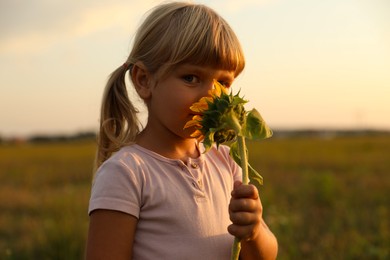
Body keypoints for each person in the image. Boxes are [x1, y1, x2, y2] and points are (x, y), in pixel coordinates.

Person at [85, 2, 278, 259]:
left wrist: (253, 232)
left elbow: (264, 256)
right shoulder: (126, 172)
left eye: (223, 82)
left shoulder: (226, 161)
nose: (213, 95)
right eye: (190, 78)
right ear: (144, 81)